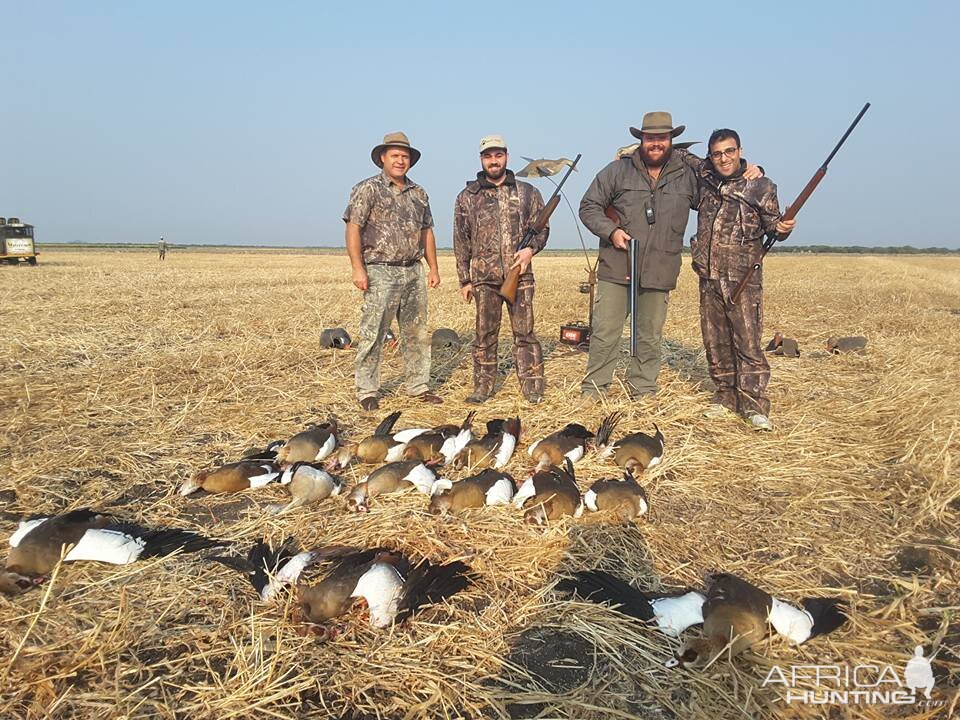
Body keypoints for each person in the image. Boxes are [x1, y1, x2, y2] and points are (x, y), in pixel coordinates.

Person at [578, 111, 701, 401]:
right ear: (641, 140)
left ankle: (643, 389)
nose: (656, 143)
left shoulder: (687, 176)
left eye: (662, 137)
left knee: (648, 336)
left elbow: (717, 196)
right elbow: (589, 206)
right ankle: (594, 390)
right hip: (617, 266)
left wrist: (749, 169)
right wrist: (612, 232)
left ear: (672, 140)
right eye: (650, 138)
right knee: (605, 332)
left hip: (660, 268)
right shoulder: (617, 171)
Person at [689, 128, 794, 430]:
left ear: (739, 151)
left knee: (748, 342)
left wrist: (785, 229)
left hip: (743, 278)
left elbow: (774, 228)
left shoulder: (761, 186)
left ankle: (753, 404)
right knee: (715, 341)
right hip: (709, 276)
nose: (724, 158)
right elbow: (682, 155)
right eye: (717, 153)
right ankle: (725, 397)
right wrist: (628, 151)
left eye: (729, 151)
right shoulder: (705, 181)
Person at [343, 132, 443, 412]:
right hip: (380, 271)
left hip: (413, 271)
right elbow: (353, 227)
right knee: (374, 332)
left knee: (417, 332)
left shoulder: (419, 193)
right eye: (395, 155)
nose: (401, 161)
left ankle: (418, 386)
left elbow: (427, 232)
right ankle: (367, 390)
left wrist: (433, 267)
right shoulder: (368, 189)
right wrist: (357, 268)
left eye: (405, 156)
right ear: (383, 158)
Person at [453, 135, 548, 404]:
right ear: (481, 159)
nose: (493, 161)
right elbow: (461, 239)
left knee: (525, 334)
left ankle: (532, 387)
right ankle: (482, 387)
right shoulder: (467, 197)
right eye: (488, 156)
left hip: (521, 275)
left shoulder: (528, 192)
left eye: (498, 155)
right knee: (484, 335)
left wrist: (531, 250)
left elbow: (542, 229)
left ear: (507, 156)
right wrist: (464, 280)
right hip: (484, 279)